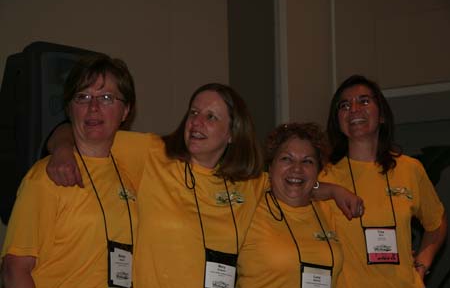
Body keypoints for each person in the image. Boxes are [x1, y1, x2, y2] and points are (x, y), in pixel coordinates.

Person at [45, 83, 362, 287]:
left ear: (230, 133)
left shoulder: (246, 184)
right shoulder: (153, 153)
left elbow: (293, 183)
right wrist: (60, 149)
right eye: (194, 113)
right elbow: (80, 130)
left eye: (211, 117)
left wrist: (333, 191)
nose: (196, 122)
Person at [1, 53, 138, 287]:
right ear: (69, 108)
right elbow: (14, 271)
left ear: (125, 111)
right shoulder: (46, 177)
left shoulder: (134, 170)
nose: (93, 107)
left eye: (106, 97)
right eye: (82, 97)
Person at [319, 74, 447, 288]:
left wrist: (422, 266)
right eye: (344, 105)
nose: (354, 109)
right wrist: (331, 190)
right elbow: (295, 191)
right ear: (338, 121)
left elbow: (437, 222)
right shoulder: (324, 175)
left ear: (382, 116)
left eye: (364, 101)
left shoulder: (410, 168)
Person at [237, 122, 343, 288]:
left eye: (307, 161)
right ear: (270, 168)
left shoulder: (328, 211)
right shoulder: (250, 209)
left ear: (318, 172)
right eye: (286, 159)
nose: (297, 169)